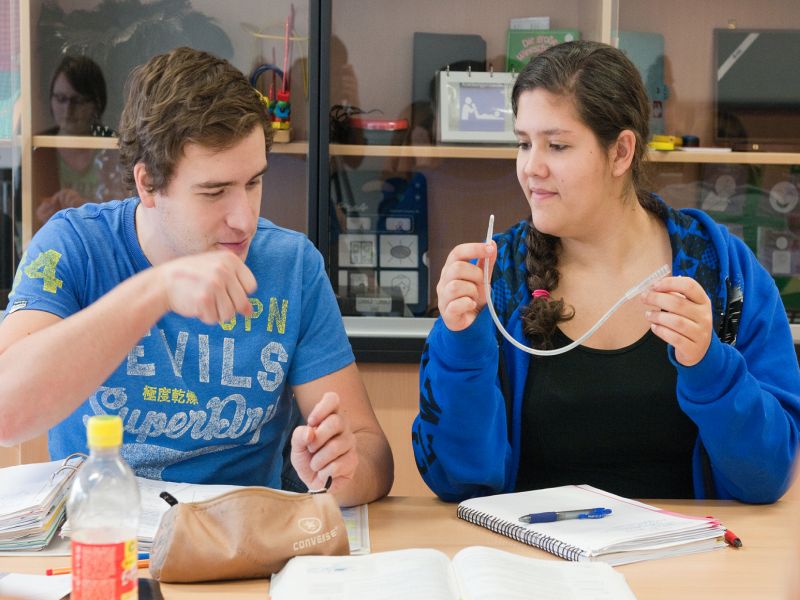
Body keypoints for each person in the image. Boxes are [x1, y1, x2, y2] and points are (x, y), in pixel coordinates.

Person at [0, 47, 393, 506]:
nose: (244, 219)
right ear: (147, 184)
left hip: (237, 549)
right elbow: (8, 414)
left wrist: (338, 470)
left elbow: (374, 456)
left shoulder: (292, 265)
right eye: (214, 192)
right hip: (102, 543)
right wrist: (156, 289)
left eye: (253, 182)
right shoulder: (74, 246)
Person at [412, 40, 800, 504]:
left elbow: (768, 477)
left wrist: (710, 365)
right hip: (533, 563)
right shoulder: (498, 278)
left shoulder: (724, 274)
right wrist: (460, 343)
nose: (531, 168)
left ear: (621, 152)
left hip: (686, 566)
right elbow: (455, 481)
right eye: (522, 143)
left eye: (556, 145)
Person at [37, 55, 123, 225]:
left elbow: (125, 215)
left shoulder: (115, 147)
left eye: (78, 101)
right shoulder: (39, 150)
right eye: (60, 99)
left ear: (97, 104)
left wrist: (86, 209)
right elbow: (21, 215)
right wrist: (38, 216)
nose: (68, 109)